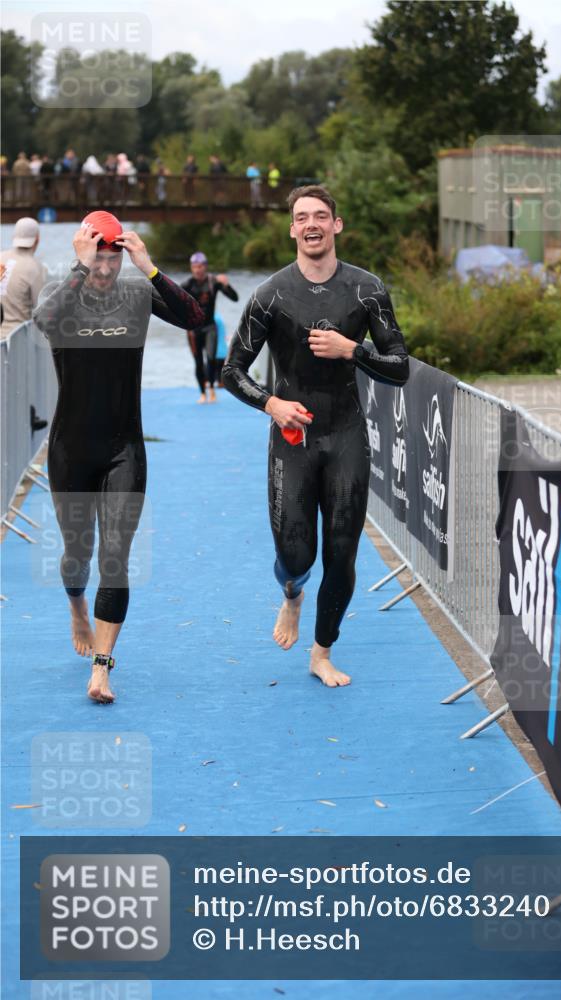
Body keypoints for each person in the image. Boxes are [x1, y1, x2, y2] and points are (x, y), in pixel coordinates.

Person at [223, 185, 409, 687]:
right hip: (293, 441)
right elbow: (231, 370)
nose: (312, 224)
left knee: (342, 555)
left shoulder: (367, 289)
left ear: (336, 225)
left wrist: (354, 350)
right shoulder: (271, 295)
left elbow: (400, 367)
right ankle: (292, 594)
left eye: (321, 216)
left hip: (346, 434)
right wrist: (272, 403)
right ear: (292, 229)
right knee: (296, 556)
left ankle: (322, 652)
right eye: (302, 217)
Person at [33, 210, 205, 703]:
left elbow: (194, 318)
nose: (106, 268)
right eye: (99, 258)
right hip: (70, 447)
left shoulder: (136, 293)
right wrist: (79, 269)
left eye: (113, 258)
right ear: (84, 252)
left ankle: (103, 669)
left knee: (115, 558)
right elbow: (44, 323)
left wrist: (149, 267)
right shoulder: (62, 290)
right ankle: (76, 607)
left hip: (123, 447)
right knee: (78, 555)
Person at [181, 251, 239, 403]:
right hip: (193, 330)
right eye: (194, 267)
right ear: (191, 268)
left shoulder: (214, 282)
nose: (198, 270)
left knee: (211, 359)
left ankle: (212, 388)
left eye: (200, 266)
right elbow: (174, 304)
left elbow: (235, 298)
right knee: (198, 362)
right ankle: (202, 393)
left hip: (210, 327)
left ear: (205, 267)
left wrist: (227, 284)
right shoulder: (187, 285)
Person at [1, 217, 47, 338]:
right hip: (16, 338)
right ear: (37, 240)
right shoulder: (35, 267)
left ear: (13, 237)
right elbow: (41, 309)